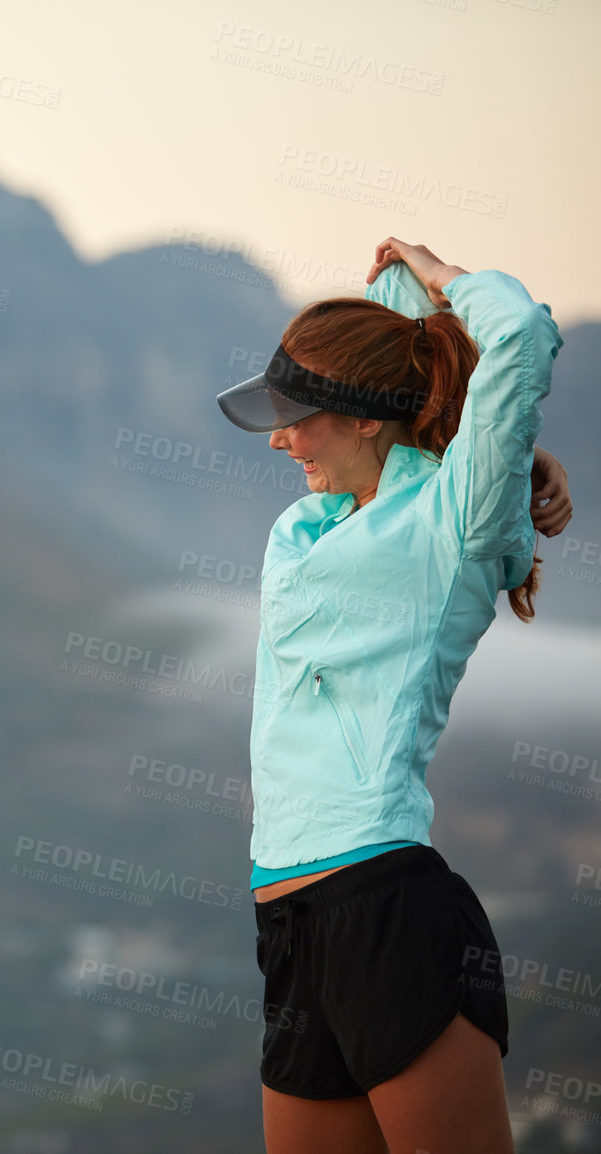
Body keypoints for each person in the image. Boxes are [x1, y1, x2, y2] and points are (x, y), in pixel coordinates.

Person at [215, 237, 573, 1154]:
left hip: (387, 909)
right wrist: (404, 287)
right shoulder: (312, 523)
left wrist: (443, 275)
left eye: (300, 417)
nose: (283, 439)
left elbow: (520, 343)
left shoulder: (454, 523)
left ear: (370, 421)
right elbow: (398, 340)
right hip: (287, 922)